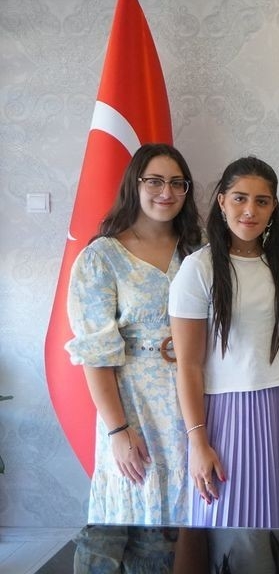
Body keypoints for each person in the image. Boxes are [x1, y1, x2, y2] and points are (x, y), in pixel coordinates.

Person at [66, 143, 202, 571]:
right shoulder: (102, 257)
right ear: (135, 185)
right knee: (129, 508)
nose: (167, 192)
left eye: (177, 183)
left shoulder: (198, 252)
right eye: (155, 181)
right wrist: (118, 429)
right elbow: (96, 353)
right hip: (132, 403)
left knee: (182, 517)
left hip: (192, 399)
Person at [170, 156, 279, 530]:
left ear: (273, 208)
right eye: (240, 198)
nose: (250, 210)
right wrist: (197, 443)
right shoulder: (198, 268)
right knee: (233, 527)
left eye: (262, 201)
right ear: (222, 201)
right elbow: (188, 365)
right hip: (227, 416)